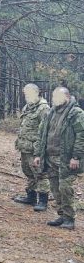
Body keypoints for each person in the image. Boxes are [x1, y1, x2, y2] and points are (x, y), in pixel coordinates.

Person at [33, 87, 83, 230]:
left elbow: (81, 136)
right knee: (55, 188)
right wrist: (38, 154)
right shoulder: (51, 112)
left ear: (66, 97)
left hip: (66, 159)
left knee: (65, 188)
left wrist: (76, 157)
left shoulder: (76, 114)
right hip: (50, 158)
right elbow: (42, 134)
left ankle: (69, 218)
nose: (54, 99)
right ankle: (61, 215)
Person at [13, 84, 50, 211]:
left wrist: (40, 152)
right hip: (25, 146)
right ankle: (31, 196)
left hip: (36, 148)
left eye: (28, 93)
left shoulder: (43, 109)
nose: (26, 96)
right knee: (28, 172)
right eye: (25, 93)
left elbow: (46, 131)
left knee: (40, 173)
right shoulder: (27, 107)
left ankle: (43, 201)